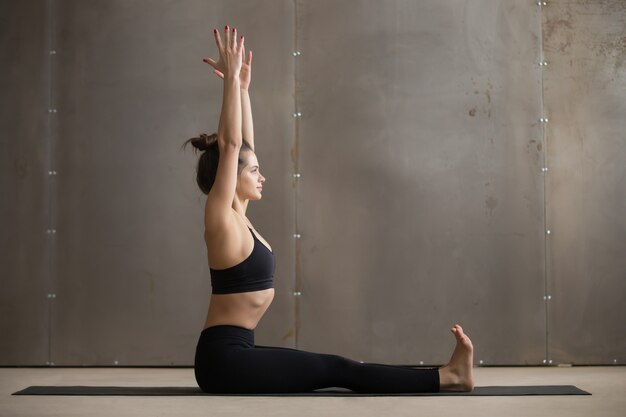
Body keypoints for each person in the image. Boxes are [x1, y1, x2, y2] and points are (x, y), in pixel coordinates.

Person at [185, 25, 474, 394]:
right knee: (337, 369)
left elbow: (243, 148)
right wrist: (228, 88)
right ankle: (449, 377)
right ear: (230, 177)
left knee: (335, 365)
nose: (262, 176)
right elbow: (231, 145)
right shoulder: (220, 218)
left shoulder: (241, 218)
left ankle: (448, 374)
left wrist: (242, 89)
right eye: (255, 171)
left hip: (236, 353)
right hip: (222, 362)